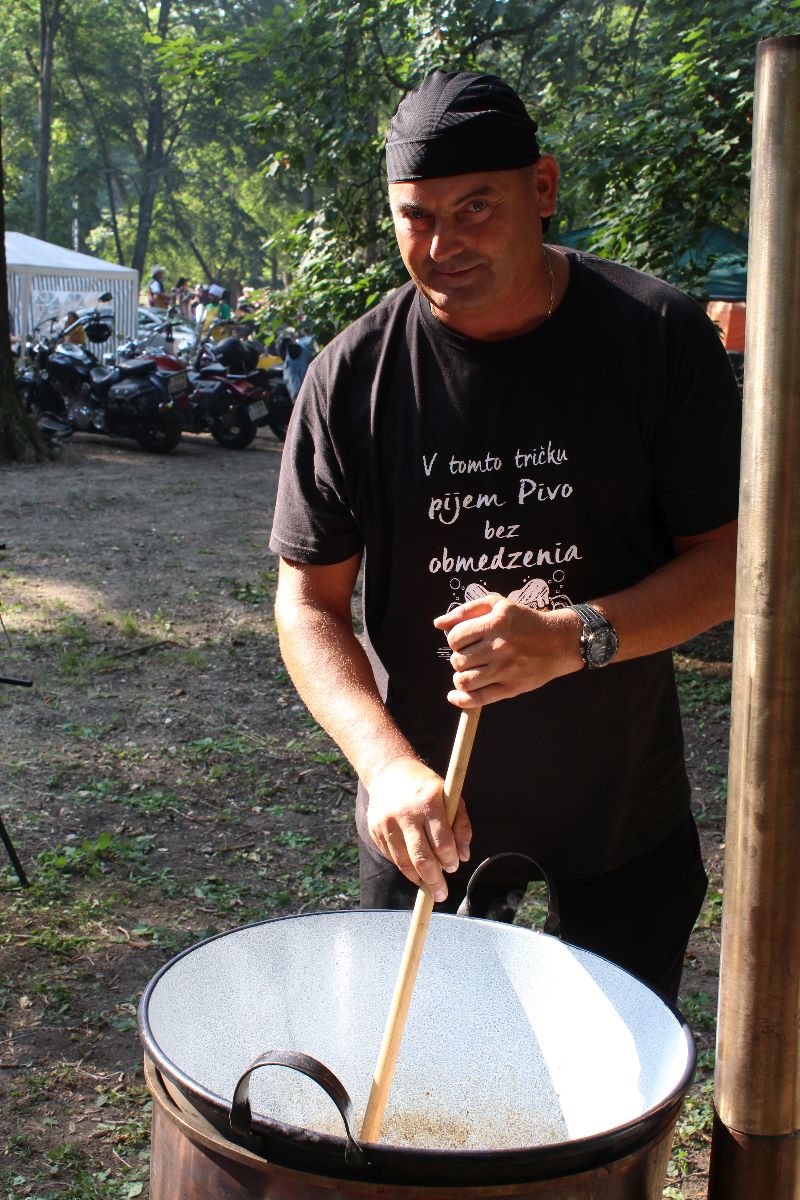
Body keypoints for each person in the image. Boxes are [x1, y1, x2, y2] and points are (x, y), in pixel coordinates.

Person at [269, 70, 741, 1003]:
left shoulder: (656, 337)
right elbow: (309, 604)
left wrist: (572, 637)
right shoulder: (352, 377)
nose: (442, 245)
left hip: (619, 809)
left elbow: (731, 563)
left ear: (543, 188)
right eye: (416, 217)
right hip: (428, 817)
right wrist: (385, 765)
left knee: (610, 1072)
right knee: (423, 1065)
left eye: (476, 207)